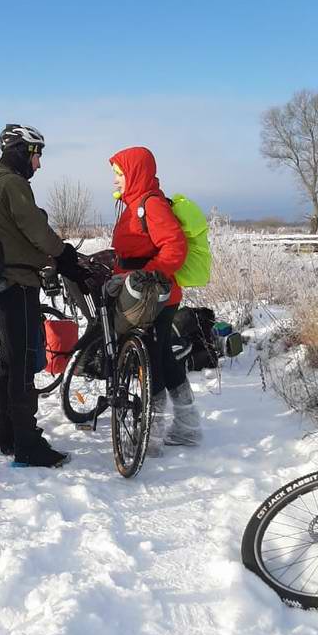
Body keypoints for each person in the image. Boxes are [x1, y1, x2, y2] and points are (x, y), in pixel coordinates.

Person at [0, 124, 82, 468]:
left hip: (0, 283)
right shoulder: (12, 184)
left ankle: (5, 436)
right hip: (18, 281)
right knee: (22, 365)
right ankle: (27, 444)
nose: (38, 165)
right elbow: (34, 229)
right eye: (36, 155)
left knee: (8, 363)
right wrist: (64, 254)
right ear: (21, 152)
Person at [109, 146, 203, 453]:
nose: (115, 181)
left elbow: (174, 248)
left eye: (119, 174)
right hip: (148, 293)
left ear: (135, 173)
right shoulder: (134, 204)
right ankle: (187, 428)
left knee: (150, 361)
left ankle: (150, 435)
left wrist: (142, 276)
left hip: (155, 297)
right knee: (162, 357)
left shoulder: (151, 205)